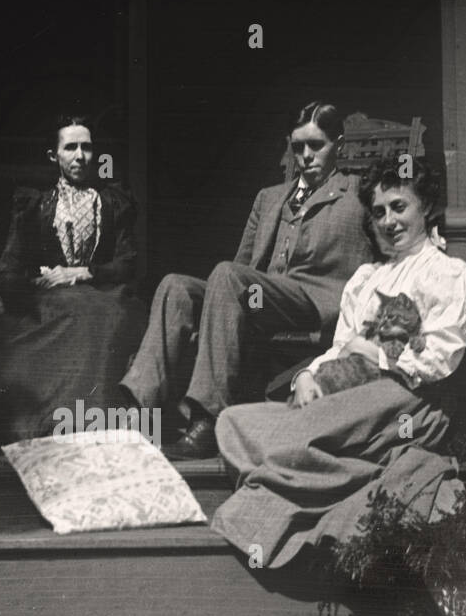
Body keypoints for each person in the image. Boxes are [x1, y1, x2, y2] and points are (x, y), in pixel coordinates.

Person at [211, 155, 466, 569]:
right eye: (378, 212)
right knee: (230, 422)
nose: (388, 221)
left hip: (406, 397)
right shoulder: (365, 279)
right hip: (350, 391)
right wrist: (307, 375)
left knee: (303, 432)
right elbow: (340, 349)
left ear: (425, 207)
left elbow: (439, 359)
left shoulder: (450, 273)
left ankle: (292, 477)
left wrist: (371, 352)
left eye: (399, 207)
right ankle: (316, 467)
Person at [120, 100, 375, 460]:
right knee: (175, 286)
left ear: (339, 145)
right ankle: (137, 410)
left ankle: (207, 419)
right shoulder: (270, 198)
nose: (305, 155)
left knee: (228, 276)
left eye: (316, 145)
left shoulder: (359, 193)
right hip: (260, 299)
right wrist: (217, 307)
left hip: (312, 302)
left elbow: (386, 247)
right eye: (298, 146)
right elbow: (241, 266)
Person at [0, 115, 146, 443]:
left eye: (86, 147)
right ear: (54, 156)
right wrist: (35, 279)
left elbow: (129, 263)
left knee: (108, 315)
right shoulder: (35, 204)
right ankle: (52, 423)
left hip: (103, 294)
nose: (80, 155)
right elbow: (6, 272)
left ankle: (97, 421)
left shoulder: (112, 202)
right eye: (70, 147)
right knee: (70, 316)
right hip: (49, 301)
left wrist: (84, 272)